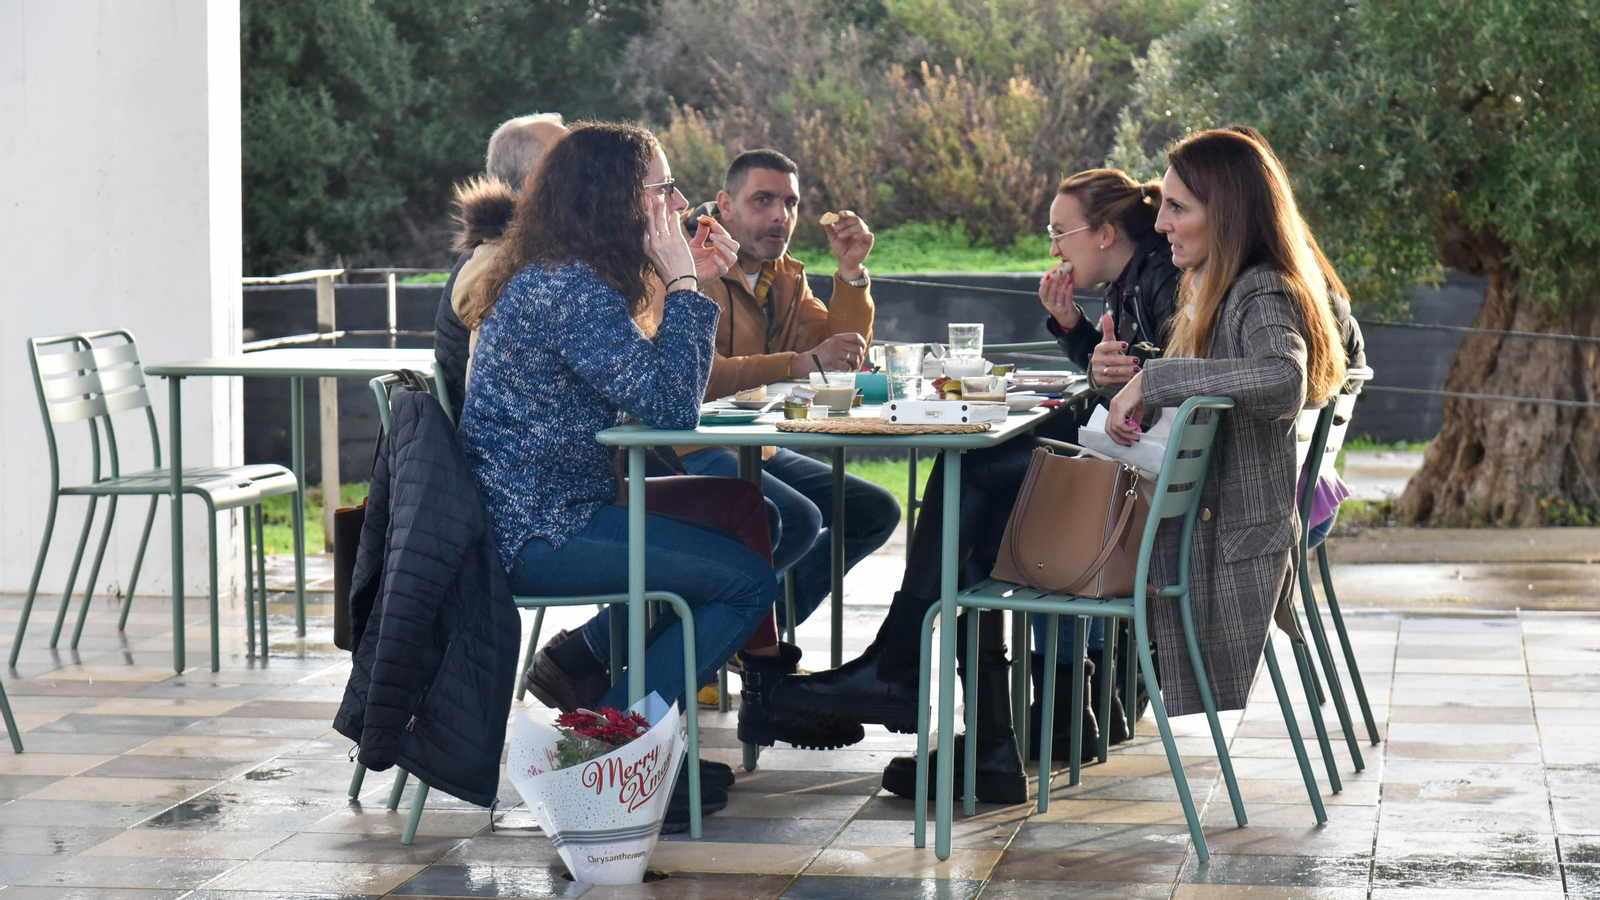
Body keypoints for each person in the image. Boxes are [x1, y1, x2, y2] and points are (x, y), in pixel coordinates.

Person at [770, 168, 1178, 801]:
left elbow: (1145, 390)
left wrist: (1106, 372)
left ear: (1101, 233)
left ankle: (923, 685)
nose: (1052, 249)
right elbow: (1124, 383)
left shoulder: (1160, 276)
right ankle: (970, 730)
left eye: (1058, 232)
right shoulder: (1141, 276)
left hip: (1123, 519)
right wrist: (1073, 331)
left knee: (969, 485)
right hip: (1134, 495)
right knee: (970, 506)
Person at [457, 123, 776, 740]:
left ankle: (650, 714)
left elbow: (642, 375)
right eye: (666, 189)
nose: (683, 205)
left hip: (558, 506)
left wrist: (689, 281)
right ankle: (610, 743)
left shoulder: (569, 276)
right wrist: (684, 282)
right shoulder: (568, 290)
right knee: (746, 584)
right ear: (617, 201)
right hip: (538, 529)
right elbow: (671, 404)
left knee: (743, 509)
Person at [1098, 127, 1348, 722]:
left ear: (1229, 212)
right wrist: (1127, 380)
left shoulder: (1260, 290)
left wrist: (1154, 383)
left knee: (1010, 536)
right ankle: (1074, 713)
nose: (1160, 226)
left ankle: (1033, 725)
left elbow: (1281, 379)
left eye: (1177, 208)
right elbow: (1218, 384)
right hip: (1218, 537)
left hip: (1218, 548)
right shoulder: (1224, 287)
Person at [672, 150, 901, 641]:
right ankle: (740, 640)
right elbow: (698, 381)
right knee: (795, 518)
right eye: (763, 200)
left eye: (791, 203)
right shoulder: (688, 263)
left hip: (753, 444)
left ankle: (746, 634)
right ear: (725, 207)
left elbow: (839, 353)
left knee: (874, 512)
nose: (781, 215)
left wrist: (851, 274)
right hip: (678, 445)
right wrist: (795, 365)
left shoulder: (786, 275)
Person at [435, 113, 570, 413]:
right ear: (536, 181)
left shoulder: (505, 252)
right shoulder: (505, 265)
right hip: (512, 448)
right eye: (570, 158)